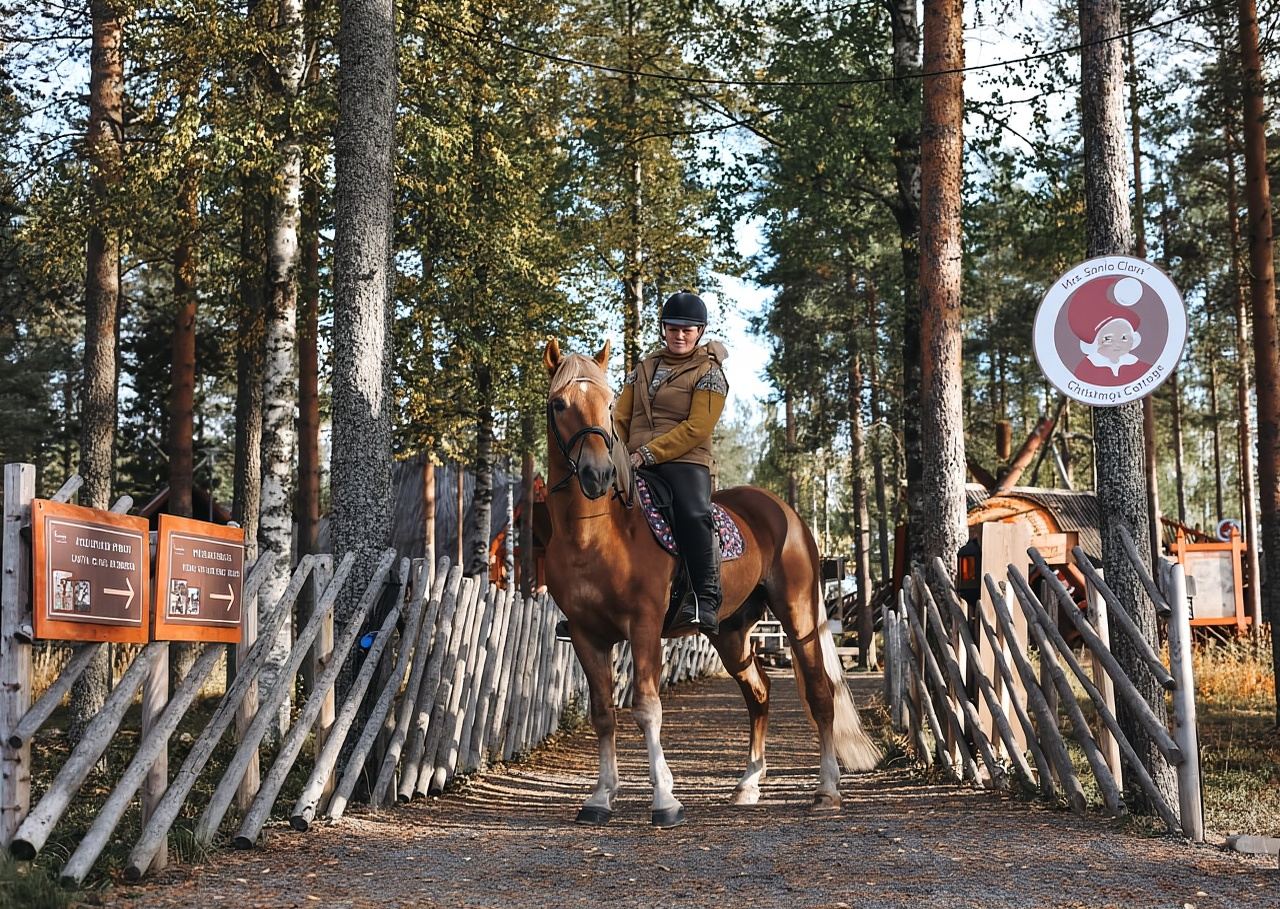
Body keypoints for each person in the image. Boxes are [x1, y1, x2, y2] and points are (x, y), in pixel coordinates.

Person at [613, 290, 729, 634]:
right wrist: (614, 449)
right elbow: (620, 416)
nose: (680, 335)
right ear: (663, 329)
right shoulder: (643, 368)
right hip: (632, 459)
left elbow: (697, 428)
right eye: (673, 328)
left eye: (688, 330)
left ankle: (705, 597)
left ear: (700, 331)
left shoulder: (710, 373)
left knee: (693, 513)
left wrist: (647, 453)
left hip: (685, 460)